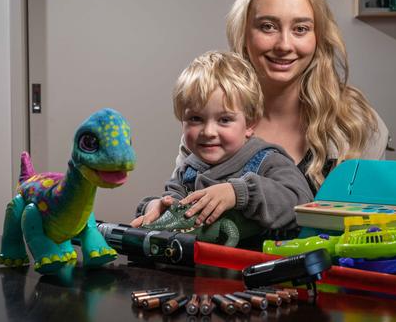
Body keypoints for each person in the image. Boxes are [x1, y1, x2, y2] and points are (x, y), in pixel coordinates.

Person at [135, 0, 388, 230]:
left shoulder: (358, 123)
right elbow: (182, 202)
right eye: (268, 26)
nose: (284, 45)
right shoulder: (209, 122)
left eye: (301, 29)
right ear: (243, 32)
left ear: (318, 37)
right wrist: (158, 206)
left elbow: (374, 230)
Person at [131, 51, 313, 243]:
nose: (208, 132)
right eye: (195, 119)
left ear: (250, 124)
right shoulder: (188, 169)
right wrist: (157, 208)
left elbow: (301, 204)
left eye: (224, 120)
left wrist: (238, 192)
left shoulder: (269, 160)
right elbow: (173, 200)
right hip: (199, 267)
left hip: (257, 266)